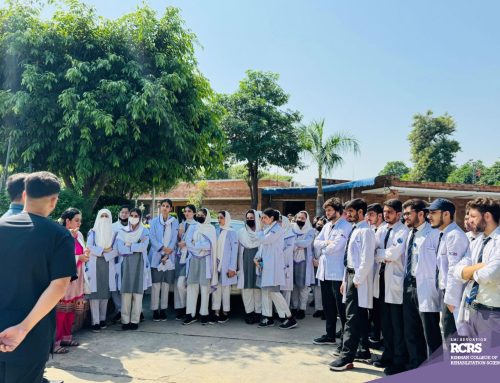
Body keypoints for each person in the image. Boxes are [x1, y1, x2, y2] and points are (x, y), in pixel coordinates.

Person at [0, 171, 76, 383]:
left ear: (24, 195)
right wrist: (22, 328)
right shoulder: (59, 235)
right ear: (54, 201)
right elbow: (60, 286)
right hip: (31, 332)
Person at [329, 198, 375, 372]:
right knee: (358, 317)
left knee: (352, 318)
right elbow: (349, 259)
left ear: (361, 212)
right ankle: (363, 350)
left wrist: (355, 280)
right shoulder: (356, 230)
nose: (347, 214)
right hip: (350, 277)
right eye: (347, 211)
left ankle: (347, 357)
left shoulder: (366, 232)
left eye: (351, 211)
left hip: (357, 280)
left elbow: (366, 259)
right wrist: (344, 280)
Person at [400, 199, 442, 371]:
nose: (405, 217)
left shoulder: (434, 234)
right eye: (404, 214)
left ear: (421, 214)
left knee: (430, 333)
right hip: (409, 285)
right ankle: (415, 365)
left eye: (408, 213)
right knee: (411, 330)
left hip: (426, 287)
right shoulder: (411, 233)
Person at [454, 197, 500, 342]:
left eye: (473, 216)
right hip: (470, 307)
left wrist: (468, 271)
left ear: (487, 216)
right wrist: (481, 266)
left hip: (491, 312)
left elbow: (488, 275)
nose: (469, 220)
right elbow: (457, 271)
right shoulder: (476, 242)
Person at [372, 199, 410, 375]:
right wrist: (382, 255)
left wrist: (381, 255)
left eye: (390, 212)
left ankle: (398, 359)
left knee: (396, 324)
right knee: (384, 323)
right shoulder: (381, 229)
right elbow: (374, 252)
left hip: (395, 282)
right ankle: (387, 354)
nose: (386, 215)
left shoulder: (403, 231)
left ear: (399, 214)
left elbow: (393, 254)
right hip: (381, 280)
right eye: (385, 212)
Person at [428, 198, 469, 342]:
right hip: (446, 291)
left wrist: (451, 299)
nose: (429, 216)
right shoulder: (445, 234)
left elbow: (454, 270)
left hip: (453, 294)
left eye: (433, 213)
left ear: (446, 214)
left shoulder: (455, 236)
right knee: (448, 333)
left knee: (451, 336)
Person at [313, 198, 351, 351]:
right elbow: (316, 242)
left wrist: (325, 245)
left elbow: (335, 248)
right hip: (324, 273)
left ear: (338, 211)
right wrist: (325, 244)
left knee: (341, 310)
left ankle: (344, 339)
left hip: (337, 274)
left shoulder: (345, 226)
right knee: (328, 307)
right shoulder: (327, 226)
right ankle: (329, 335)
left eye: (329, 210)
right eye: (326, 211)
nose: (327, 213)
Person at [255, 208, 297, 330]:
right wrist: (257, 258)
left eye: (265, 218)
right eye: (262, 218)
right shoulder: (267, 229)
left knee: (274, 293)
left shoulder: (277, 230)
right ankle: (268, 317)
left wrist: (259, 232)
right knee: (266, 292)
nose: (262, 220)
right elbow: (263, 246)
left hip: (273, 267)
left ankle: (289, 318)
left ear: (272, 218)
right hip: (265, 266)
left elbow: (264, 240)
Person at [54, 208, 89, 354]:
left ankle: (67, 337)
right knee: (61, 311)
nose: (79, 223)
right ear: (67, 221)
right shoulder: (61, 234)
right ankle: (55, 343)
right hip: (65, 278)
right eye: (76, 220)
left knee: (71, 310)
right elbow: (58, 257)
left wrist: (85, 255)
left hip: (78, 277)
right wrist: (78, 258)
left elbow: (81, 251)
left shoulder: (78, 234)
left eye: (80, 220)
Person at [116, 208, 151, 330]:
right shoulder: (122, 231)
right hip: (125, 264)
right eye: (131, 215)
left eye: (136, 215)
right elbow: (121, 249)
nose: (133, 217)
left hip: (139, 263)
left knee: (137, 292)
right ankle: (125, 321)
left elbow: (143, 247)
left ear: (140, 217)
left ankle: (135, 320)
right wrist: (135, 245)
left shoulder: (144, 231)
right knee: (126, 292)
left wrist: (129, 244)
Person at [183, 208, 217, 325]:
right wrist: (199, 248)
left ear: (207, 216)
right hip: (193, 259)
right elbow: (188, 243)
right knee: (192, 286)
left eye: (203, 215)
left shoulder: (211, 229)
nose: (200, 216)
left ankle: (204, 314)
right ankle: (190, 314)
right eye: (199, 214)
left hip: (206, 261)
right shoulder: (194, 227)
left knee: (205, 287)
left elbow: (210, 245)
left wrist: (196, 245)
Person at [86, 209, 118, 332]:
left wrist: (102, 252)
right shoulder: (92, 232)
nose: (104, 218)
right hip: (94, 265)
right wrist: (105, 251)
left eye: (106, 216)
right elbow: (89, 247)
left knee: (105, 293)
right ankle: (95, 322)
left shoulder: (114, 233)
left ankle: (103, 319)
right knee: (94, 294)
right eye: (102, 216)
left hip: (108, 265)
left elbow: (116, 251)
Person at [148, 199, 179, 321]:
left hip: (169, 257)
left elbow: (174, 238)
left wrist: (168, 252)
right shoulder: (154, 221)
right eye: (163, 206)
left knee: (166, 285)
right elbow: (152, 237)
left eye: (167, 206)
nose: (165, 208)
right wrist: (162, 249)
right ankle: (155, 310)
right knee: (156, 285)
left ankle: (163, 310)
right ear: (160, 208)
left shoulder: (174, 222)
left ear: (171, 208)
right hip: (156, 256)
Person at [211, 210, 238, 323]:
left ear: (226, 219)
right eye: (218, 217)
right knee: (216, 288)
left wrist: (232, 267)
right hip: (216, 264)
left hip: (227, 265)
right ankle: (216, 311)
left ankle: (225, 311)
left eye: (221, 217)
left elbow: (234, 251)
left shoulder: (231, 232)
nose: (219, 220)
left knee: (226, 290)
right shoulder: (217, 231)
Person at [365, 203, 385, 348]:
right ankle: (373, 334)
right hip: (370, 275)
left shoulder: (384, 230)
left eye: (372, 215)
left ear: (380, 215)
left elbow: (383, 253)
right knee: (371, 309)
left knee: (379, 309)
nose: (369, 217)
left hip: (381, 275)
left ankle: (377, 336)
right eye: (368, 215)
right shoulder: (370, 229)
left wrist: (375, 254)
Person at [237, 209, 263, 324]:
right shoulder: (241, 232)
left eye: (252, 218)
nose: (249, 220)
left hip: (258, 262)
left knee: (257, 288)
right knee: (247, 288)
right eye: (247, 218)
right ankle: (249, 312)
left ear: (256, 219)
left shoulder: (261, 232)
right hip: (245, 261)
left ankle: (258, 313)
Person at [289, 211, 315, 320]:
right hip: (292, 261)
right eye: (298, 217)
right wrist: (299, 242)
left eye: (303, 218)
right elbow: (289, 241)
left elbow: (307, 243)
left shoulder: (310, 230)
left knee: (303, 287)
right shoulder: (291, 228)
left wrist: (296, 242)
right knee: (293, 286)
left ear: (306, 219)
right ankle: (294, 308)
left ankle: (302, 309)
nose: (300, 220)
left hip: (304, 262)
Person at [174, 205, 197, 321]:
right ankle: (183, 308)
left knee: (183, 284)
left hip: (191, 258)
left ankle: (189, 309)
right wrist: (179, 234)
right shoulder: (181, 225)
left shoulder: (197, 226)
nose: (187, 213)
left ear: (194, 213)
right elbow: (177, 241)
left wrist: (186, 244)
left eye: (189, 211)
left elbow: (196, 242)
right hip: (180, 257)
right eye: (185, 211)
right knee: (179, 285)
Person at [110, 205, 131, 322]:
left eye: (126, 212)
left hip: (127, 259)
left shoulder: (133, 227)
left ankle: (127, 310)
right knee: (114, 286)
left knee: (124, 285)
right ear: (119, 213)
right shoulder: (113, 226)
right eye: (122, 212)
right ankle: (119, 309)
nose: (124, 214)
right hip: (113, 258)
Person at [312, 217, 327, 319]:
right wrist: (313, 259)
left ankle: (326, 311)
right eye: (317, 224)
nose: (318, 226)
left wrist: (320, 261)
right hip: (315, 264)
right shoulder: (314, 235)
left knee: (324, 289)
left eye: (321, 225)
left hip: (324, 265)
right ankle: (319, 309)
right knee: (316, 289)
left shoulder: (327, 236)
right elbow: (311, 249)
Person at [280, 215, 296, 311]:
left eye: (280, 222)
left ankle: (285, 312)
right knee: (277, 290)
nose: (278, 224)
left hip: (286, 265)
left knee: (286, 290)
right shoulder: (275, 234)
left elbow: (287, 251)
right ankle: (278, 312)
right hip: (276, 265)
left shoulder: (291, 235)